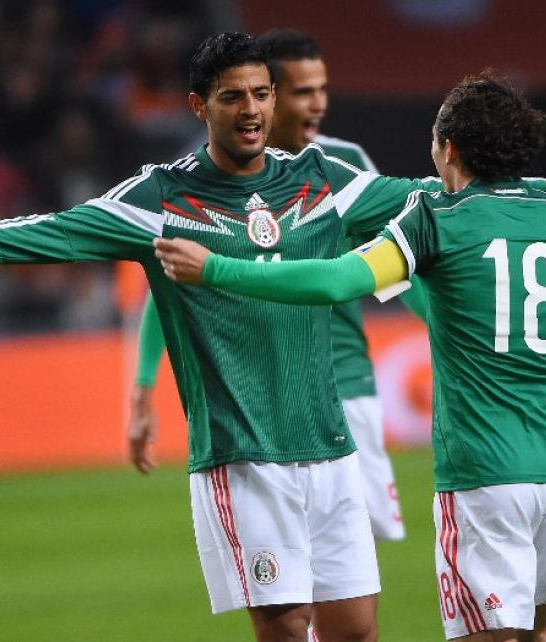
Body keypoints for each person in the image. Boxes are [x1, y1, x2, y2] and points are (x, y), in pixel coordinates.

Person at [0, 33, 546, 640]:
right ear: (199, 105)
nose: (251, 110)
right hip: (242, 454)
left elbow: (438, 193)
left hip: (330, 445)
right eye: (233, 96)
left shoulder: (322, 179)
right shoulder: (161, 197)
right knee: (286, 626)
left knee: (356, 627)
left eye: (262, 94)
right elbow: (57, 231)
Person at [152, 71, 546, 642]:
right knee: (540, 633)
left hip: (484, 476)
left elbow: (339, 280)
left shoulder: (435, 220)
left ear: (450, 149)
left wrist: (216, 268)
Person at [129, 28, 414, 542]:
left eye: (322, 90)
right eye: (304, 91)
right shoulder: (205, 180)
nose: (318, 104)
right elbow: (168, 279)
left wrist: (448, 335)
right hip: (255, 396)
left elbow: (409, 253)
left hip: (341, 381)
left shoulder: (340, 166)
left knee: (361, 542)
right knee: (290, 557)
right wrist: (144, 385)